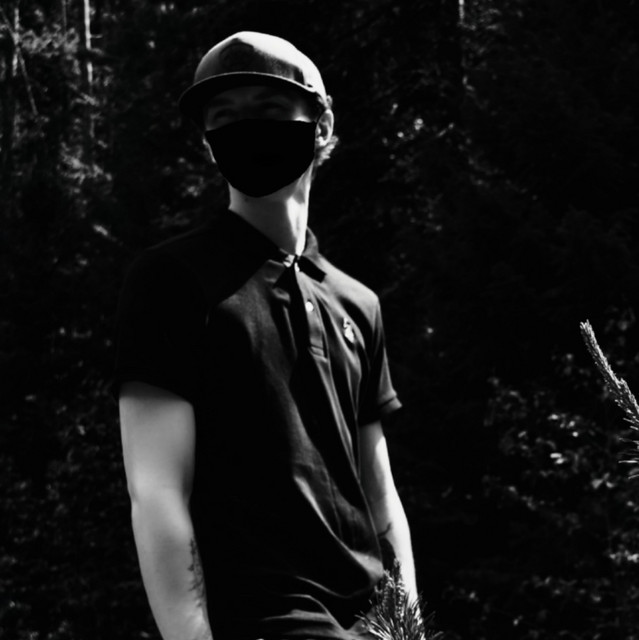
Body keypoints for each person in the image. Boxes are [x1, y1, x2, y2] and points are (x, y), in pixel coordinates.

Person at [114, 31, 417, 640]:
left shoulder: (358, 303)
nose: (246, 130)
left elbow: (380, 492)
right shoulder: (171, 280)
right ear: (208, 142)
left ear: (322, 126)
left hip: (375, 626)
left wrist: (407, 627)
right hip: (264, 621)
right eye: (224, 117)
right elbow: (156, 490)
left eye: (270, 109)